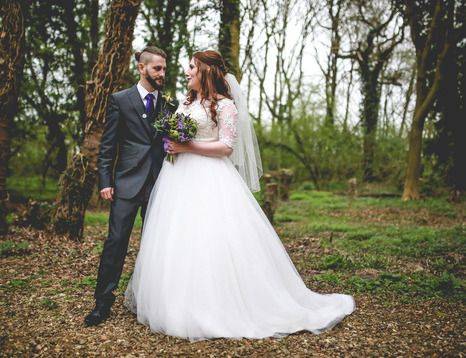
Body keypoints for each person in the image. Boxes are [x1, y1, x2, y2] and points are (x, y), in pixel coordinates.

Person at [124, 50, 355, 341]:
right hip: (177, 179)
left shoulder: (225, 106)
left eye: (192, 67)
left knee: (214, 239)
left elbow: (225, 148)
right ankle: (177, 302)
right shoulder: (186, 101)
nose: (186, 72)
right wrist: (172, 142)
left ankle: (219, 305)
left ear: (206, 71)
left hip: (210, 178)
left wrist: (188, 147)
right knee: (180, 238)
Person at [84, 46, 178, 327]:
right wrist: (105, 182)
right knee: (116, 242)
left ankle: (156, 302)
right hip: (126, 182)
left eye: (164, 68)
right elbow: (108, 145)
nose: (162, 73)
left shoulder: (170, 104)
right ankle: (102, 304)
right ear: (141, 68)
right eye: (157, 68)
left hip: (160, 184)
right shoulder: (120, 100)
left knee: (158, 245)